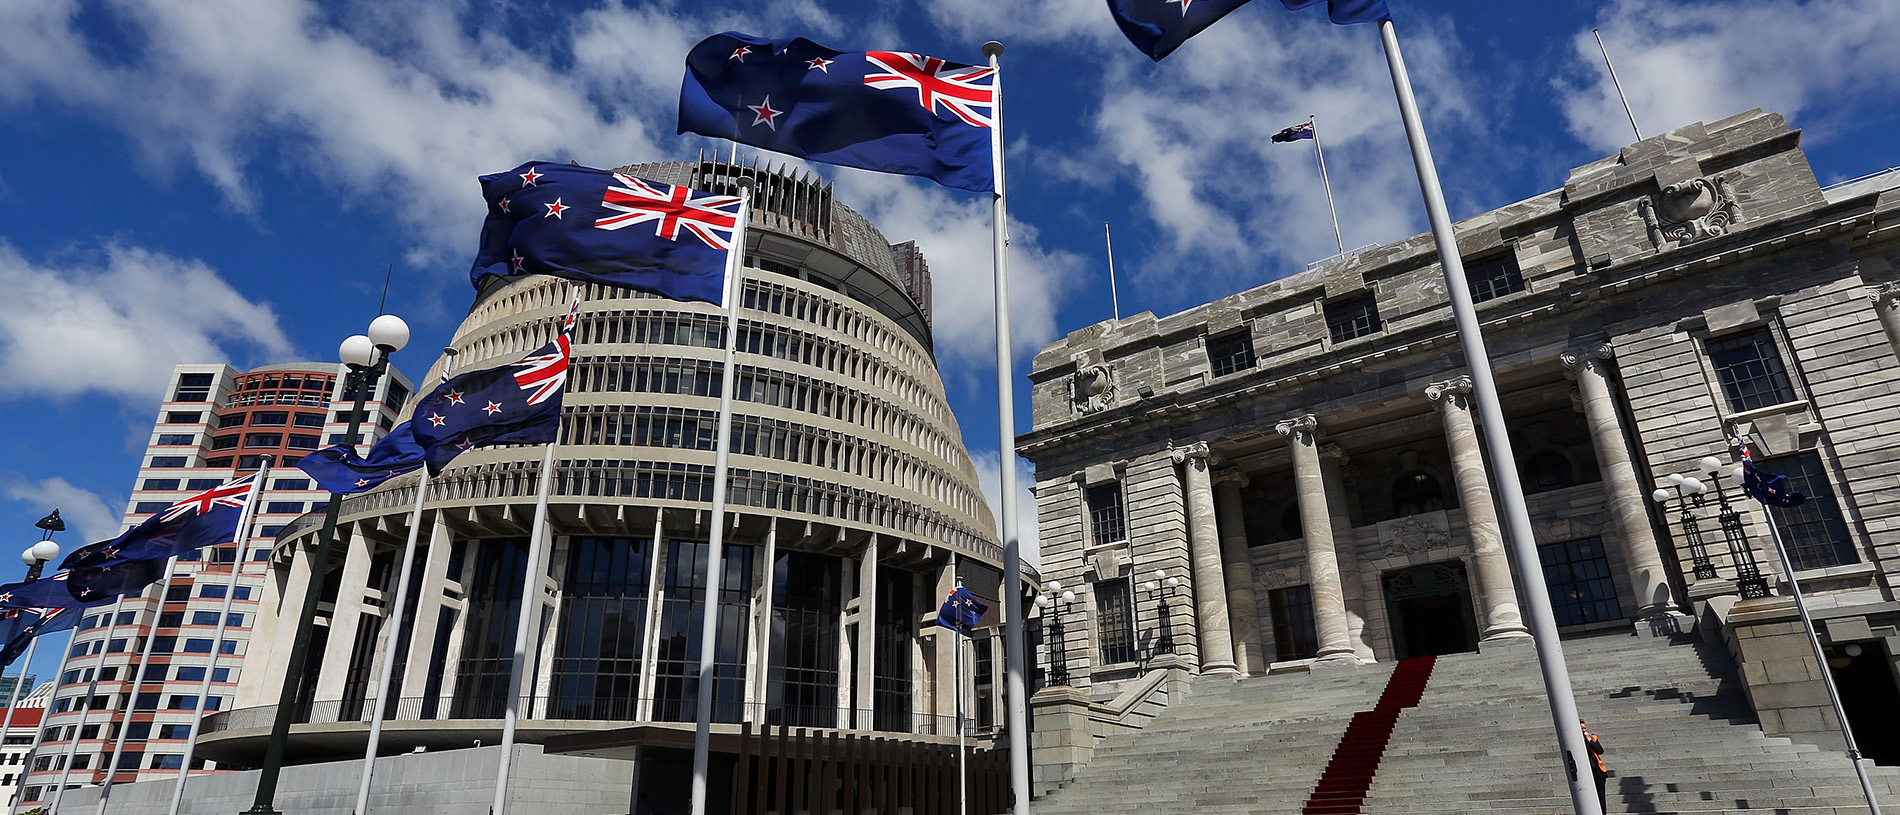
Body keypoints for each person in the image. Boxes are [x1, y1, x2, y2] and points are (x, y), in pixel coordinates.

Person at [1581, 719, 1608, 812]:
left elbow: (1600, 750)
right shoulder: (1576, 741)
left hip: (1597, 772)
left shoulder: (1593, 738)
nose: (1584, 730)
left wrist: (1589, 740)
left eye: (1584, 728)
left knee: (1601, 797)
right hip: (1585, 772)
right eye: (1581, 728)